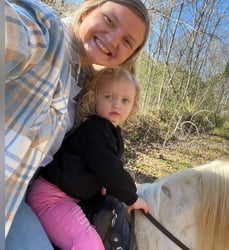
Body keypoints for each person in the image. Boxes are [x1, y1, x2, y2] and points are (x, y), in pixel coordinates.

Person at [5, 0, 150, 249]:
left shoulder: (85, 82)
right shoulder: (46, 32)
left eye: (127, 41)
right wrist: (129, 194)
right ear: (87, 11)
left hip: (20, 197)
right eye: (108, 20)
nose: (113, 40)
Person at [26, 67, 148, 250]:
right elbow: (109, 168)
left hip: (67, 197)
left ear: (132, 106)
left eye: (125, 100)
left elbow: (102, 166)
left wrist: (104, 184)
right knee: (88, 244)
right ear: (94, 98)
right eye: (109, 97)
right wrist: (132, 197)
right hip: (50, 198)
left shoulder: (109, 131)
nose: (116, 104)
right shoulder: (95, 129)